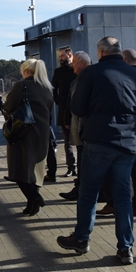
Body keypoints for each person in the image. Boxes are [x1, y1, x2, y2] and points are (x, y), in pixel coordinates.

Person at [56, 36, 136, 265]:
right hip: (127, 143)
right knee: (124, 196)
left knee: (89, 192)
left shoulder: (91, 74)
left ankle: (81, 239)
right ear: (119, 51)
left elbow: (77, 107)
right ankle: (126, 248)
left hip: (98, 140)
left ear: (99, 53)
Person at [96, 49, 136, 217]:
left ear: (124, 59)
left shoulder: (125, 76)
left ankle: (113, 203)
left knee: (113, 168)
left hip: (126, 129)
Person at [4, 58, 54, 216]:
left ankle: (35, 197)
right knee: (36, 172)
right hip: (42, 134)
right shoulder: (47, 87)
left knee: (18, 170)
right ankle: (32, 206)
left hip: (23, 134)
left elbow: (8, 106)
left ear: (25, 71)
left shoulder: (21, 85)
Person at [58, 51, 91, 201]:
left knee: (85, 158)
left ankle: (82, 190)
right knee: (79, 153)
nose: (72, 66)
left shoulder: (89, 79)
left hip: (86, 126)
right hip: (76, 122)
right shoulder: (75, 79)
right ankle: (79, 187)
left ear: (82, 63)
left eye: (75, 63)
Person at [52, 47, 77, 177]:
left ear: (70, 55)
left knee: (79, 141)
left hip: (77, 111)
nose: (60, 59)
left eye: (62, 56)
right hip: (63, 111)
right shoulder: (58, 72)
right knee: (67, 142)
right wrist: (58, 100)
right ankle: (71, 167)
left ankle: (81, 168)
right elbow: (53, 88)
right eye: (59, 56)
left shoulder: (77, 71)